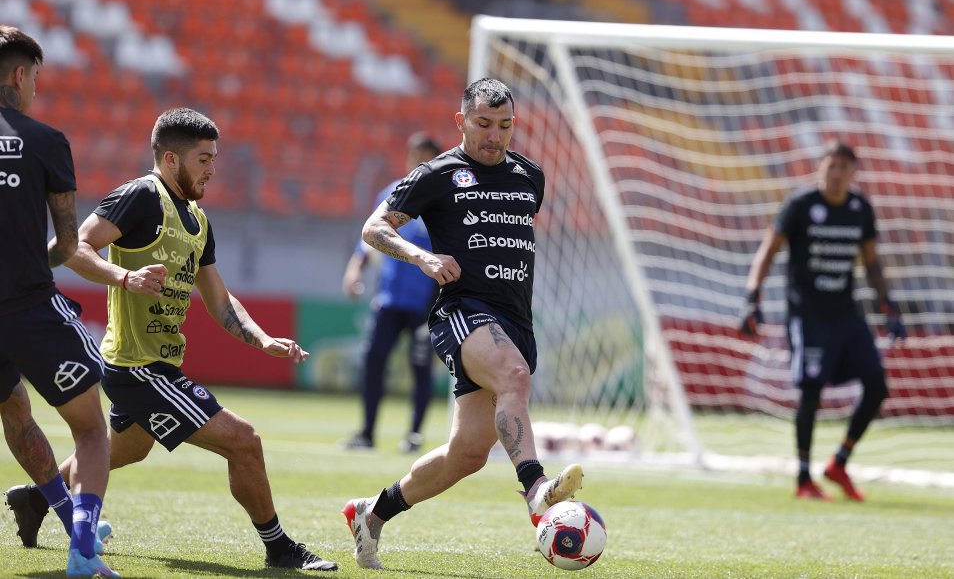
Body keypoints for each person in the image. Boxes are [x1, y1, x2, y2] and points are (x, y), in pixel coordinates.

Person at [7, 107, 337, 571]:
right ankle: (280, 546)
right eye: (203, 158)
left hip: (157, 364)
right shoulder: (142, 196)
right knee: (244, 441)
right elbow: (76, 247)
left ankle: (36, 500)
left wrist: (262, 340)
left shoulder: (198, 220)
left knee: (128, 447)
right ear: (169, 159)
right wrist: (124, 277)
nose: (212, 168)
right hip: (137, 368)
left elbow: (220, 301)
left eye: (214, 158)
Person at [342, 78, 584, 569]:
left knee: (467, 455)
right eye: (483, 124)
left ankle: (372, 513)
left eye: (505, 126)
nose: (494, 136)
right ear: (461, 121)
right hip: (461, 311)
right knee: (514, 376)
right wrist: (423, 258)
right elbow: (373, 228)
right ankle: (537, 488)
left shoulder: (530, 177)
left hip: (515, 318)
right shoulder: (438, 173)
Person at [0, 25, 119, 577]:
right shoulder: (46, 140)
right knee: (93, 430)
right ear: (21, 76)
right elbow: (69, 243)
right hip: (27, 306)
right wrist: (28, 257)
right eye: (36, 80)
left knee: (14, 410)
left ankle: (67, 512)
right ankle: (84, 549)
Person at [740, 139, 906, 501]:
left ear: (852, 174)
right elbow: (769, 250)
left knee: (877, 385)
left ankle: (839, 463)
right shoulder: (801, 205)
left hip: (847, 315)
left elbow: (872, 262)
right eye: (831, 167)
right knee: (811, 392)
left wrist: (888, 304)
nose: (836, 175)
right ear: (821, 168)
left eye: (844, 169)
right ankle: (803, 479)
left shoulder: (861, 208)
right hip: (808, 316)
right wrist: (753, 295)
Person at [341, 132, 442, 454]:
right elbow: (370, 241)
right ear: (409, 159)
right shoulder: (393, 195)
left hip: (425, 304)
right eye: (417, 158)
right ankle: (367, 433)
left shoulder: (442, 200)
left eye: (427, 158)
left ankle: (413, 435)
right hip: (389, 300)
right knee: (373, 360)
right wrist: (355, 269)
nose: (420, 164)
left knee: (421, 368)